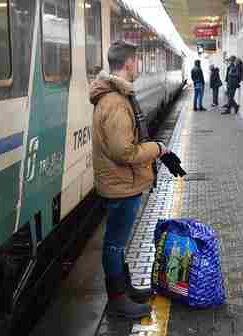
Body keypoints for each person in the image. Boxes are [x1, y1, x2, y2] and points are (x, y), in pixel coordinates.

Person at [89, 40, 169, 319]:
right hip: (121, 184)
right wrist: (157, 149)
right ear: (129, 63)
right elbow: (123, 151)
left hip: (122, 182)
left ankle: (126, 290)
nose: (138, 67)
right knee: (114, 244)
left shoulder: (115, 98)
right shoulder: (116, 103)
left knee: (118, 242)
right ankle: (117, 300)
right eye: (137, 62)